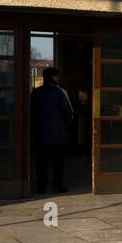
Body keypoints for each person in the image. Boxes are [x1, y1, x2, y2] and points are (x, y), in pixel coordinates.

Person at [30, 66, 74, 195]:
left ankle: (41, 186)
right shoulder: (59, 92)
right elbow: (68, 112)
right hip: (58, 134)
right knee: (58, 162)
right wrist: (69, 128)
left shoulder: (36, 93)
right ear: (54, 77)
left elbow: (31, 113)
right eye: (57, 76)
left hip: (41, 133)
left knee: (41, 162)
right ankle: (57, 186)